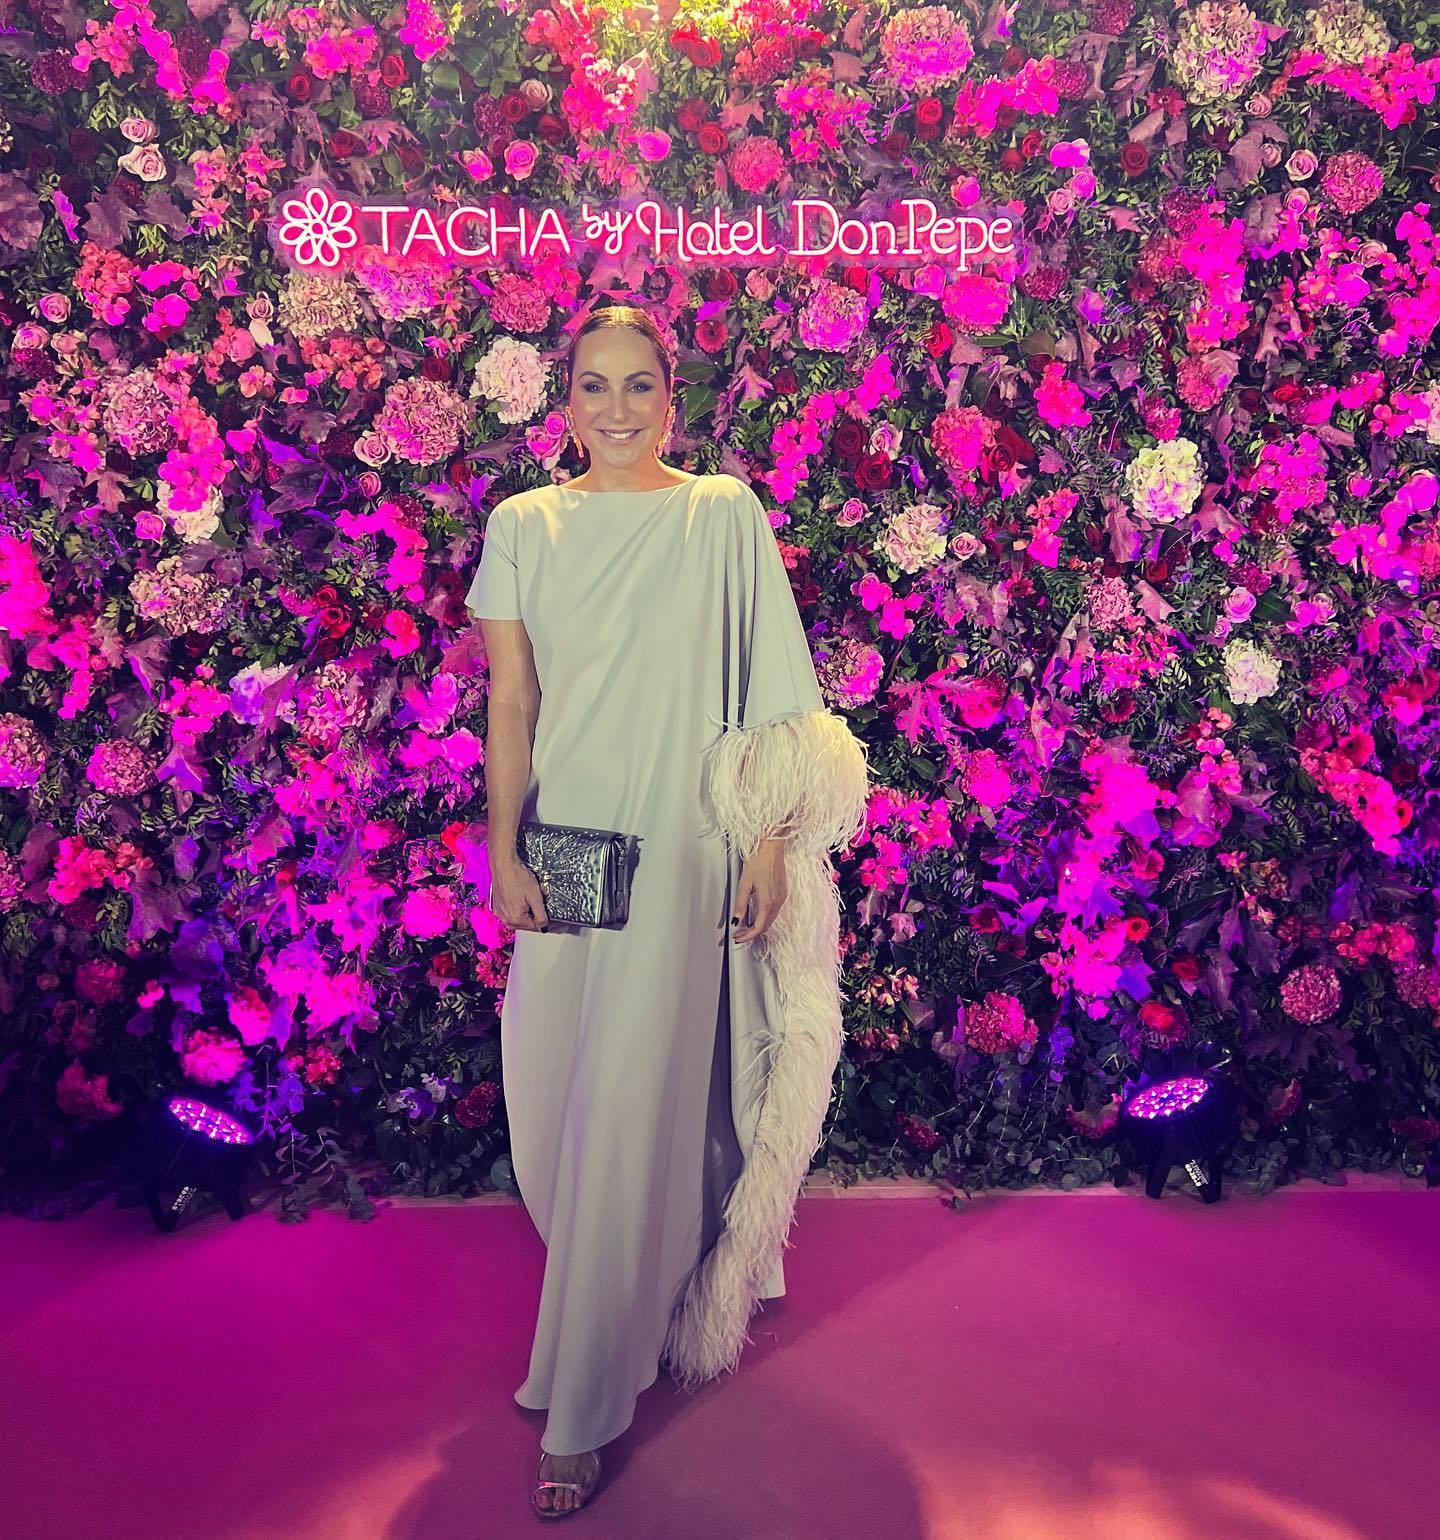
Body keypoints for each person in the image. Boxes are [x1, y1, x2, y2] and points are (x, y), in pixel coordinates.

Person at [465, 304, 869, 1518]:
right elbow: (512, 704)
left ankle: (582, 1404)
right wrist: (502, 850)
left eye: (640, 385)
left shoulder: (721, 515)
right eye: (595, 385)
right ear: (565, 403)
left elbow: (774, 698)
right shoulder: (523, 525)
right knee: (565, 1108)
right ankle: (644, 1288)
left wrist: (769, 841)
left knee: (633, 1107)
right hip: (573, 851)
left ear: (672, 400)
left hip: (691, 848)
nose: (618, 408)